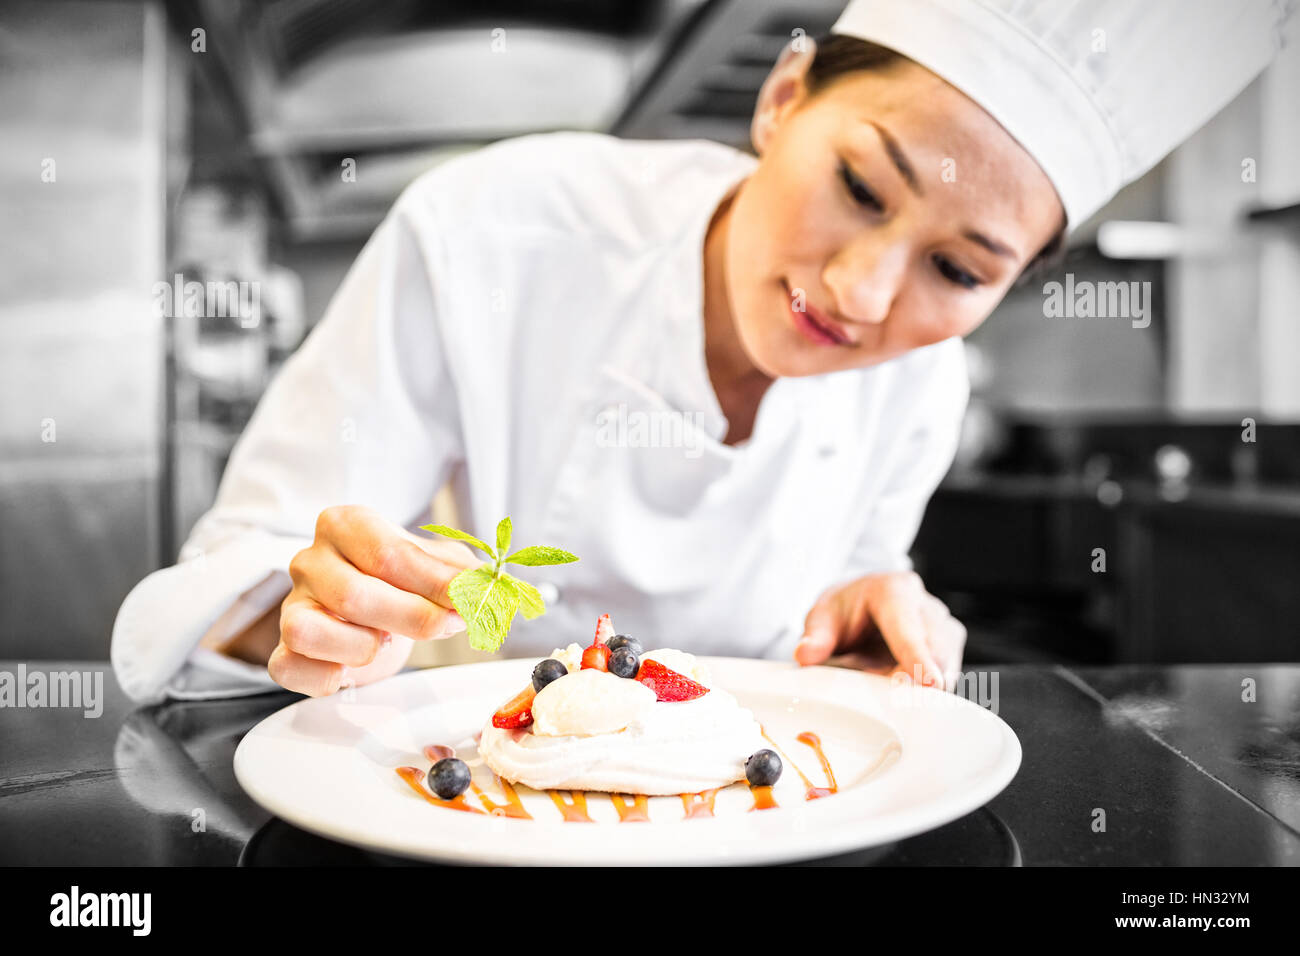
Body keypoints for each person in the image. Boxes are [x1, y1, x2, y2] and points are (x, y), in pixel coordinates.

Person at [111, 0, 1289, 704]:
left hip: (758, 815)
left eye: (960, 270)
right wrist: (301, 614)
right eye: (860, 185)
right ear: (782, 99)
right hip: (468, 780)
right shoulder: (497, 227)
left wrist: (872, 614)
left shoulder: (925, 378)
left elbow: (847, 587)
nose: (862, 291)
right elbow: (238, 575)